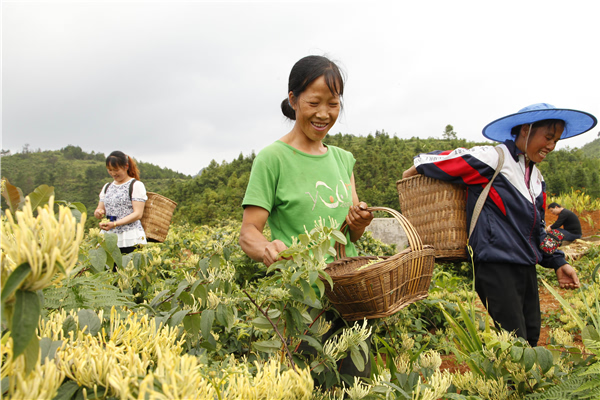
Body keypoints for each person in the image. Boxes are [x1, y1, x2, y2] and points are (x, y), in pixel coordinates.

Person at [402, 103, 597, 347]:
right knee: (516, 340)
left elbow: (538, 231)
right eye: (548, 137)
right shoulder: (494, 159)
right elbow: (442, 160)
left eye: (555, 140)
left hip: (525, 266)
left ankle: (524, 384)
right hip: (496, 264)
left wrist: (559, 261)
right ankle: (510, 385)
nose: (551, 146)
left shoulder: (536, 178)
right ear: (525, 130)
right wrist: (414, 169)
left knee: (531, 335)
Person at [239, 55, 374, 376]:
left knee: (357, 385)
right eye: (314, 102)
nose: (324, 114)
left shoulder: (344, 159)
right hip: (301, 304)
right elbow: (249, 234)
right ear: (293, 100)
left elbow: (350, 234)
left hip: (349, 299)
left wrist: (359, 223)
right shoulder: (273, 159)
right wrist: (267, 249)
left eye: (334, 103)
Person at [94, 151, 148, 255]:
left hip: (130, 237)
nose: (113, 173)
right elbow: (99, 209)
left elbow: (138, 214)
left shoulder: (136, 185)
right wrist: (98, 213)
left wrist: (115, 224)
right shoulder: (107, 187)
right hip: (109, 236)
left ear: (126, 166)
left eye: (116, 170)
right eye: (110, 170)